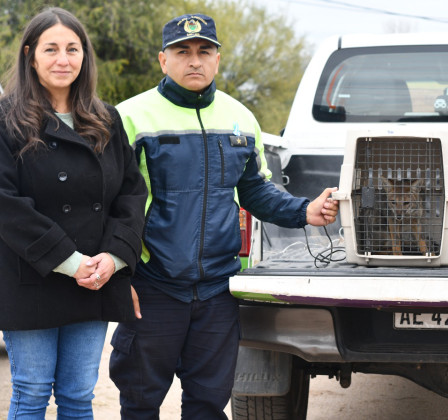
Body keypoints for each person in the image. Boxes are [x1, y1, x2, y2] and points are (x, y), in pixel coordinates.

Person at [108, 13, 339, 419]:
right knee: (140, 403)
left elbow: (255, 191)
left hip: (217, 291)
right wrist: (120, 275)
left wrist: (306, 210)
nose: (194, 61)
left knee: (208, 405)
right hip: (153, 288)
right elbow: (108, 205)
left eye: (204, 51)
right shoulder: (130, 118)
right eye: (183, 52)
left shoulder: (241, 120)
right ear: (163, 60)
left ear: (217, 59)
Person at [0, 7, 148, 419]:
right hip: (32, 276)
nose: (63, 59)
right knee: (31, 393)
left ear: (84, 56)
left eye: (72, 48)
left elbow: (132, 195)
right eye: (51, 49)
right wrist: (70, 262)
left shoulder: (106, 118)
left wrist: (115, 257)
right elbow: (5, 203)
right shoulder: (6, 120)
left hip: (95, 278)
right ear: (30, 55)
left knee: (79, 396)